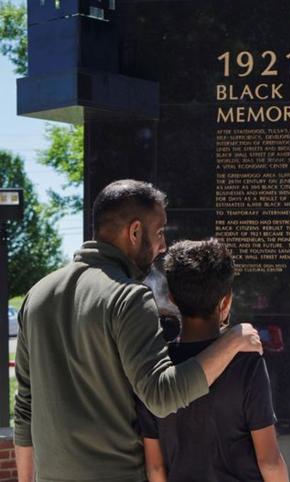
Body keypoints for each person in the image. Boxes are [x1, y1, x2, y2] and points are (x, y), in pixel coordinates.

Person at [13, 179, 262, 482]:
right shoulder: (128, 297)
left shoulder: (37, 295)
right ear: (134, 232)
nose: (163, 246)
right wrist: (233, 340)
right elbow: (161, 395)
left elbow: (25, 407)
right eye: (159, 232)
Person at [138, 239, 289, 481]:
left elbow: (155, 468)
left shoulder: (155, 365)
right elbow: (269, 461)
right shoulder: (246, 363)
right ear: (225, 301)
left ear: (172, 298)